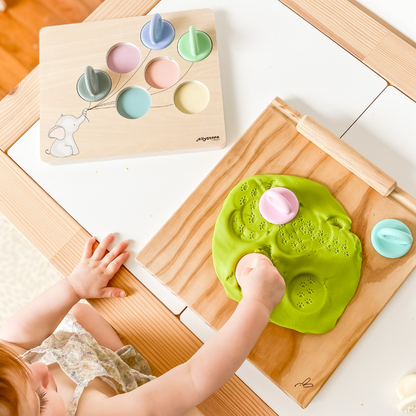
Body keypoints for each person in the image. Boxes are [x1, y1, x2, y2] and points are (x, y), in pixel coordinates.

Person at [0, 233, 286, 416]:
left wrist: (75, 285)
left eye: (24, 367)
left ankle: (120, 364)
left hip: (94, 363)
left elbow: (19, 333)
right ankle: (138, 380)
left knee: (80, 312)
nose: (40, 369)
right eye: (40, 401)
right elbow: (193, 379)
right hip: (124, 399)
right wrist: (258, 303)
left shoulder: (10, 369)